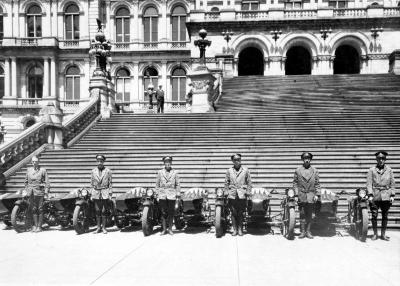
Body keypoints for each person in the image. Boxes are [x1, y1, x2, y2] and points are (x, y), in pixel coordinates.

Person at [367, 151, 396, 241]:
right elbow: (369, 183)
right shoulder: (372, 170)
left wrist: (392, 195)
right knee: (374, 215)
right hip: (375, 195)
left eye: (383, 158)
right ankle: (375, 234)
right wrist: (370, 194)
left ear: (385, 159)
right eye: (379, 158)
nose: (381, 160)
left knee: (385, 215)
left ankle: (383, 234)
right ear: (376, 159)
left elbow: (393, 183)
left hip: (386, 195)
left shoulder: (389, 170)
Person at [293, 152, 320, 239]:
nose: (307, 160)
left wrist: (317, 194)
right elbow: (295, 183)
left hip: (311, 195)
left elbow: (317, 184)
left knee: (310, 214)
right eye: (305, 159)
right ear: (303, 160)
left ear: (310, 160)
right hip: (302, 195)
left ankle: (308, 231)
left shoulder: (315, 170)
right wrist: (297, 193)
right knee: (302, 214)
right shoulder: (298, 170)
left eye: (308, 159)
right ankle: (302, 232)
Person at [224, 154, 252, 236]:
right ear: (232, 161)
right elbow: (226, 182)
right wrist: (226, 191)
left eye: (239, 159)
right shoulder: (229, 171)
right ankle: (235, 230)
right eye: (235, 159)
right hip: (232, 194)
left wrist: (248, 191)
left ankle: (240, 229)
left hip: (242, 194)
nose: (237, 161)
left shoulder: (245, 170)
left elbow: (249, 182)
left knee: (240, 212)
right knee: (233, 212)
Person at [155, 156, 180, 235]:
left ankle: (170, 229)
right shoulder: (160, 172)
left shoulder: (175, 172)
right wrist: (157, 194)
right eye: (166, 162)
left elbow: (177, 184)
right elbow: (157, 184)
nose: (168, 163)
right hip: (162, 194)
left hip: (171, 194)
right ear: (164, 163)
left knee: (171, 213)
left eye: (169, 162)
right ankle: (164, 229)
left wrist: (178, 193)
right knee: (163, 213)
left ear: (171, 163)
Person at [25, 156, 50, 232]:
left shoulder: (42, 170)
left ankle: (39, 226)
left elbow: (47, 182)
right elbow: (26, 182)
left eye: (36, 161)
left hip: (39, 192)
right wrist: (27, 189)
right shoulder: (29, 170)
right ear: (31, 162)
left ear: (38, 162)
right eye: (33, 161)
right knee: (33, 209)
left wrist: (46, 191)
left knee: (40, 209)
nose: (34, 163)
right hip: (31, 192)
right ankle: (35, 226)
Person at [91, 154, 112, 234]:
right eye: (98, 161)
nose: (100, 162)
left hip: (105, 191)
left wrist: (110, 194)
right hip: (96, 192)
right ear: (97, 161)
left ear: (103, 161)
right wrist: (92, 194)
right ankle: (98, 228)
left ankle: (104, 228)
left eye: (101, 161)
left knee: (103, 211)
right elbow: (91, 183)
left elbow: (110, 183)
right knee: (97, 211)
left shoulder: (108, 171)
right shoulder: (93, 171)